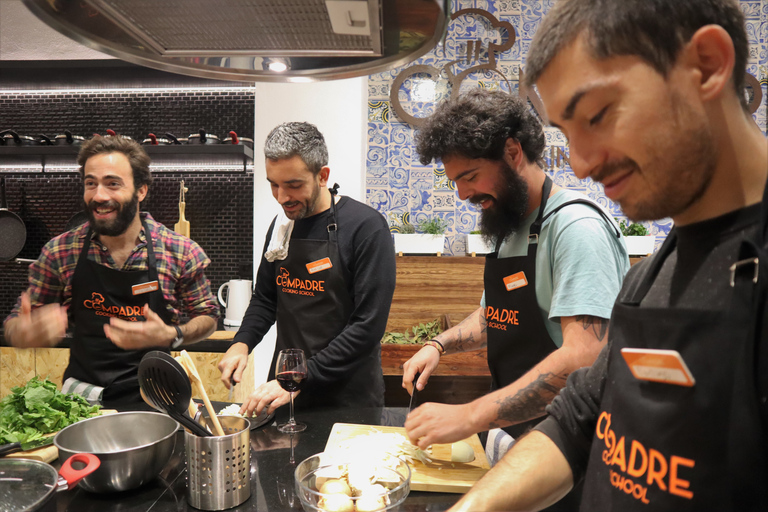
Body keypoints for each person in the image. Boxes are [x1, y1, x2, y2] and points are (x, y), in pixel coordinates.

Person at [449, 0, 768, 511]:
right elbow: (576, 421)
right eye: (567, 134)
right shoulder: (654, 276)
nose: (580, 163)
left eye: (597, 115)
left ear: (706, 64)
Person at [402, 89, 630, 476]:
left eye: (469, 177)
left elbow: (585, 357)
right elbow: (497, 315)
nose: (462, 194)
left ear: (512, 152)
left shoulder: (576, 229)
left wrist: (471, 415)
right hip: (518, 436)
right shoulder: (508, 226)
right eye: (455, 181)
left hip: (573, 451)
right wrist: (438, 345)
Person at [3, 135, 219, 407]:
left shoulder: (180, 251)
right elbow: (16, 322)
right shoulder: (60, 252)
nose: (99, 195)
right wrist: (23, 332)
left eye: (112, 184)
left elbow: (208, 315)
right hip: (81, 404)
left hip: (155, 400)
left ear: (141, 190)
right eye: (90, 183)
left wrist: (173, 335)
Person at [218, 122, 396, 415]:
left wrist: (300, 375)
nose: (281, 197)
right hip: (286, 392)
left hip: (348, 398)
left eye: (294, 185)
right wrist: (242, 343)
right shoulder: (281, 227)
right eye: (273, 184)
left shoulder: (365, 228)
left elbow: (367, 327)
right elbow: (265, 298)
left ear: (322, 175)